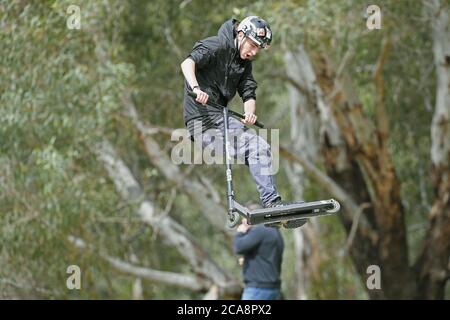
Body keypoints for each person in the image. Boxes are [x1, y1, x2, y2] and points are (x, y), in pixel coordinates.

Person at [180, 16, 306, 228]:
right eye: (254, 45)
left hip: (223, 118)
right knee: (251, 147)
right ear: (241, 34)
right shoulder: (216, 45)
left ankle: (272, 204)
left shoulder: (243, 64)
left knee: (259, 147)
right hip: (202, 122)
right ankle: (266, 205)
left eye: (259, 48)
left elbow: (248, 93)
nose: (255, 52)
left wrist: (249, 113)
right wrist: (195, 88)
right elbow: (187, 62)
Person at [234, 215, 284, 300]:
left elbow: (238, 247)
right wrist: (246, 261)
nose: (243, 221)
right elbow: (265, 257)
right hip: (273, 289)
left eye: (245, 218)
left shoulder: (260, 230)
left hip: (258, 290)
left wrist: (240, 232)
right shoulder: (275, 231)